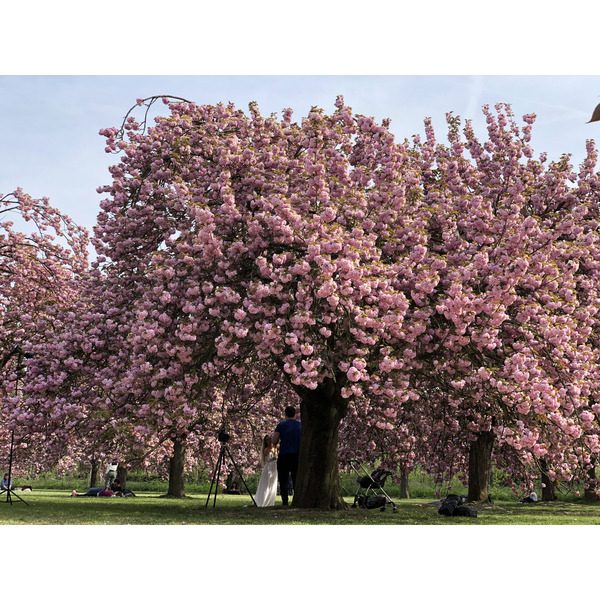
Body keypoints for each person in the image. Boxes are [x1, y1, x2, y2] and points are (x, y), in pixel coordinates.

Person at [272, 406, 301, 506]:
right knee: (296, 478)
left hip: (284, 454)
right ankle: (296, 499)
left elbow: (274, 440)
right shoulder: (300, 425)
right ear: (295, 414)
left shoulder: (281, 425)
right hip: (296, 455)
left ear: (285, 414)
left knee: (283, 478)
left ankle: (285, 501)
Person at [255, 434, 278, 507]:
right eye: (267, 440)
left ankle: (270, 502)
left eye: (270, 439)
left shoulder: (275, 448)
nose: (269, 440)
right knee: (266, 484)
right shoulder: (266, 450)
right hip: (269, 467)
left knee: (272, 484)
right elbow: (271, 458)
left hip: (274, 467)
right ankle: (263, 501)